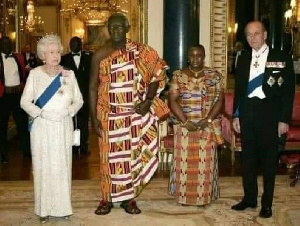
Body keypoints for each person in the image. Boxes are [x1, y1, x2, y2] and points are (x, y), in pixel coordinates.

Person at [89, 13, 168, 215]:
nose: (115, 31)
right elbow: (91, 88)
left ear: (127, 28)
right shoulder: (99, 54)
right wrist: (93, 117)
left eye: (119, 27)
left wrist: (148, 100)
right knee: (109, 159)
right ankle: (106, 199)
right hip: (108, 115)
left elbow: (158, 74)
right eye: (112, 27)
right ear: (107, 28)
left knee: (130, 158)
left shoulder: (141, 51)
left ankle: (128, 199)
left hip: (133, 116)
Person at [231, 21, 295, 218]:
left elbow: (288, 92)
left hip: (270, 113)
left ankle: (267, 204)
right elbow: (239, 91)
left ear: (265, 34)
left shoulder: (281, 57)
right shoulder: (242, 59)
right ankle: (249, 198)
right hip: (248, 111)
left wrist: (284, 119)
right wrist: (236, 115)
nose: (252, 38)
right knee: (248, 159)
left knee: (268, 161)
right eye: (249, 34)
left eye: (256, 34)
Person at [20, 34, 83, 223]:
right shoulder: (35, 74)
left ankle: (63, 207)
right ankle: (43, 209)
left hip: (63, 125)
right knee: (43, 167)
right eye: (51, 52)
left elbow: (79, 100)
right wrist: (41, 113)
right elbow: (24, 102)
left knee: (62, 167)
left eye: (57, 52)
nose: (56, 56)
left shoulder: (68, 74)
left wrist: (68, 112)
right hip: (42, 127)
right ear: (42, 55)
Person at [168, 44, 224, 206]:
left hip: (207, 125)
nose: (195, 58)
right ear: (187, 57)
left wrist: (206, 120)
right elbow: (172, 101)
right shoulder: (178, 76)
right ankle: (184, 197)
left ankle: (203, 197)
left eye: (199, 55)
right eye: (192, 55)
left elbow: (220, 101)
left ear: (204, 56)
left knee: (205, 164)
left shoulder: (214, 75)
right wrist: (185, 121)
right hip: (184, 125)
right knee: (184, 163)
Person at [0, 36, 30, 163]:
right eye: (4, 43)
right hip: (3, 96)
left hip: (18, 95)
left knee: (22, 124)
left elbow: (25, 72)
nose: (7, 45)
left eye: (9, 43)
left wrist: (24, 85)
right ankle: (3, 154)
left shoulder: (19, 57)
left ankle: (26, 152)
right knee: (2, 126)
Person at [61, 36, 92, 154]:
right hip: (70, 97)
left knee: (83, 122)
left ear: (81, 45)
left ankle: (84, 146)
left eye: (75, 43)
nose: (72, 46)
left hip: (84, 95)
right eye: (71, 44)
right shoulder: (64, 59)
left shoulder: (89, 58)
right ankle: (73, 146)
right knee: (71, 122)